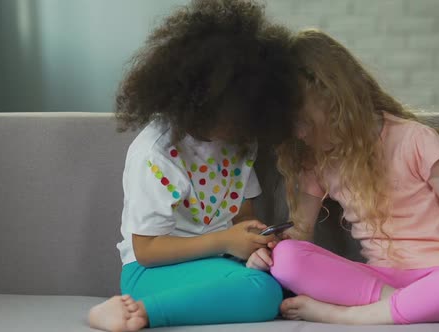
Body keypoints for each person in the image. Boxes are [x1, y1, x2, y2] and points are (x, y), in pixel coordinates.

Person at [246, 29, 439, 325]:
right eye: (292, 126)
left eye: (304, 122)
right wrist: (270, 252)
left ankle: (348, 316)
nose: (299, 134)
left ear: (336, 102)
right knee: (288, 257)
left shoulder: (415, 139)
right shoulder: (316, 160)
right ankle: (418, 305)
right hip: (380, 281)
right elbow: (301, 233)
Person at [88, 1, 302, 330]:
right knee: (262, 291)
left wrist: (256, 242)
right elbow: (146, 249)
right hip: (150, 272)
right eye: (234, 116)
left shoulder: (241, 141)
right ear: (201, 102)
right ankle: (138, 312)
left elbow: (242, 216)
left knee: (290, 272)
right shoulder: (155, 154)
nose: (241, 128)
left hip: (218, 260)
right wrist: (225, 242)